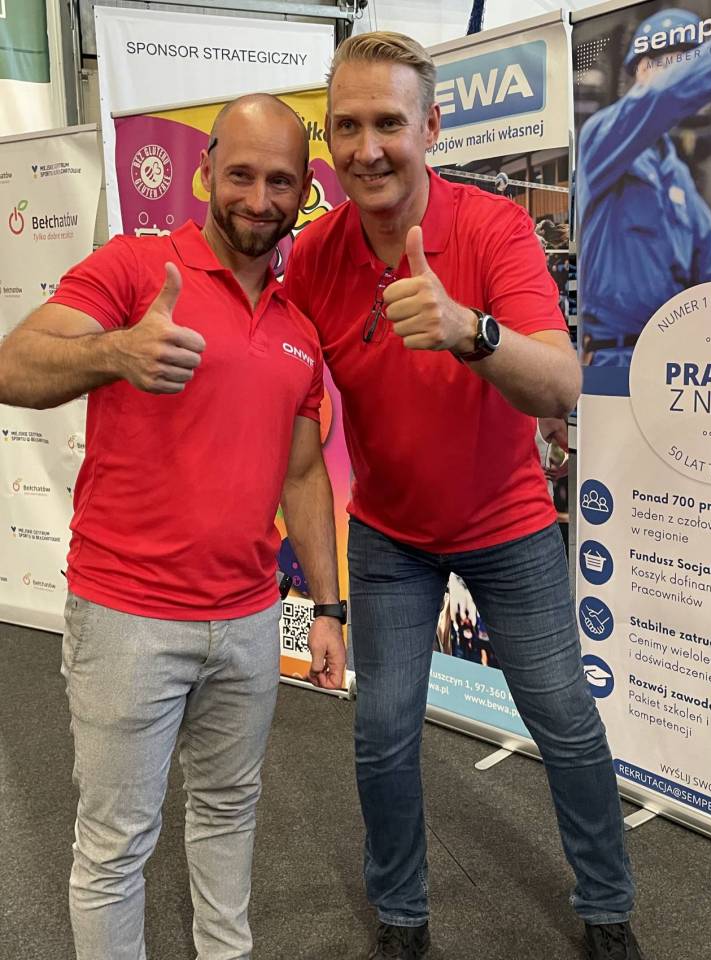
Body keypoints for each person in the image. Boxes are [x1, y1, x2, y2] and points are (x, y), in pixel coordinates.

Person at [284, 32, 644, 960]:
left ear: (432, 128)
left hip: (508, 524)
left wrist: (467, 328)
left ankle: (608, 909)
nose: (368, 148)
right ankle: (402, 920)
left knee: (564, 722)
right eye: (347, 126)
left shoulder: (493, 229)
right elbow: (281, 403)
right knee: (381, 734)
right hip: (391, 536)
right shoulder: (314, 259)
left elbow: (561, 382)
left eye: (389, 123)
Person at [0, 94, 346, 960]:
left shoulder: (299, 331)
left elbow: (304, 475)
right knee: (116, 845)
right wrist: (113, 352)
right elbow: (14, 364)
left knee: (230, 814)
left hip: (248, 619)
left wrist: (329, 609)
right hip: (128, 617)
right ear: (205, 171)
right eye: (241, 175)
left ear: (303, 190)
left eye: (280, 182)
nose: (258, 199)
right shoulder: (135, 268)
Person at [577, 8, 711, 367]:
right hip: (614, 357)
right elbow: (664, 95)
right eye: (682, 63)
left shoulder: (677, 174)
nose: (691, 77)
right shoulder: (601, 139)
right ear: (642, 67)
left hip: (675, 356)